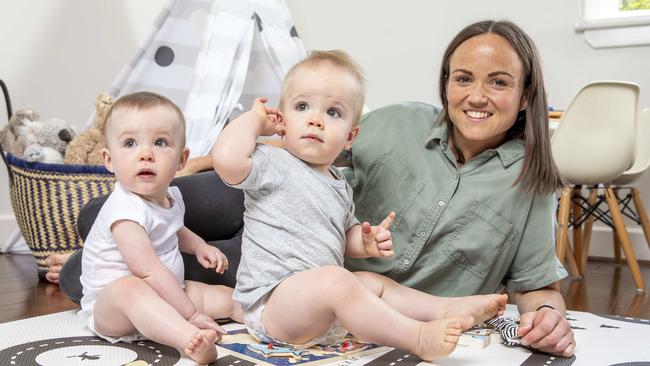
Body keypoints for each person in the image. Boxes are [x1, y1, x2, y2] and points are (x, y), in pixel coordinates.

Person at [212, 50, 507, 362]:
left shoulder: (338, 182)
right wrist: (254, 121)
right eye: (302, 106)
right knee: (338, 280)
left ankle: (443, 307)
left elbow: (344, 234)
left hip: (319, 308)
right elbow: (225, 158)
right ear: (282, 121)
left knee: (372, 282)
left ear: (350, 137)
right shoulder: (272, 162)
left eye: (333, 113)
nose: (315, 119)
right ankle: (416, 336)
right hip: (273, 305)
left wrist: (363, 242)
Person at [341, 20, 575, 356]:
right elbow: (302, 158)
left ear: (525, 96)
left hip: (434, 337)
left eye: (498, 82)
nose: (476, 97)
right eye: (463, 79)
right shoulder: (392, 123)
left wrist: (548, 318)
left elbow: (537, 288)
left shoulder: (530, 181)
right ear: (446, 84)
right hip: (328, 306)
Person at [77, 91, 243, 364]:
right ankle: (188, 338)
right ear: (109, 160)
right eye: (130, 143)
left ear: (181, 159)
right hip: (115, 309)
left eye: (160, 142)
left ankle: (265, 317)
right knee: (129, 288)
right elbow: (148, 272)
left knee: (225, 297)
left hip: (168, 293)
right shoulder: (124, 211)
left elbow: (175, 229)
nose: (145, 154)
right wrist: (189, 315)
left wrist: (200, 246)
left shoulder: (171, 197)